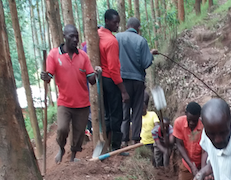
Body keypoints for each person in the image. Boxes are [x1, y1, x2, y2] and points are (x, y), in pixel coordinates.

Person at [41, 24, 99, 163]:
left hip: (82, 103)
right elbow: (49, 75)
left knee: (79, 133)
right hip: (65, 102)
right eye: (71, 36)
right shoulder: (54, 54)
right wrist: (46, 77)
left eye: (76, 36)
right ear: (64, 37)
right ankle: (61, 148)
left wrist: (96, 74)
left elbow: (91, 81)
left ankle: (73, 157)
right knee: (62, 129)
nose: (75, 39)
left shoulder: (83, 56)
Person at [116, 17, 157, 146]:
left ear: (127, 26)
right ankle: (135, 139)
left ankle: (123, 140)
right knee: (137, 110)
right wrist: (150, 54)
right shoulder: (141, 40)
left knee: (124, 110)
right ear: (138, 28)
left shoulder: (117, 38)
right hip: (138, 80)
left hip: (122, 80)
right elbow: (146, 62)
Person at [98, 9, 129, 151]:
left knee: (106, 113)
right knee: (116, 114)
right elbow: (114, 69)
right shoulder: (111, 41)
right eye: (115, 22)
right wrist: (123, 90)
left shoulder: (98, 35)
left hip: (101, 81)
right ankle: (115, 146)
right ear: (107, 21)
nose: (117, 25)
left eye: (118, 22)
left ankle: (107, 142)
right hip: (110, 80)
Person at [172, 102, 207, 180]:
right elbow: (180, 145)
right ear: (185, 114)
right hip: (187, 164)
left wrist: (202, 171)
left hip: (204, 164)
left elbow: (205, 150)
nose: (192, 123)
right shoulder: (178, 123)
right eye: (190, 120)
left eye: (195, 120)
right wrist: (192, 167)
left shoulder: (204, 126)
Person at [140, 92, 159, 164]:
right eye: (140, 109)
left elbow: (157, 125)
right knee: (146, 160)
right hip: (142, 143)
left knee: (154, 159)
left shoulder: (152, 114)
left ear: (146, 107)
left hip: (153, 141)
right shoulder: (136, 118)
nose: (142, 110)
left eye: (143, 108)